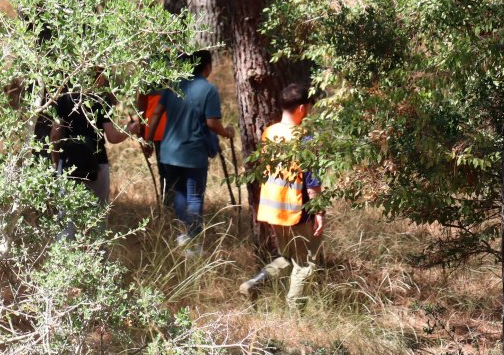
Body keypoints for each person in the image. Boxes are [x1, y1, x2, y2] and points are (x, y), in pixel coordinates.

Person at [238, 83, 323, 309]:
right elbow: (312, 179)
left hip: (273, 210)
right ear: (303, 108)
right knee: (305, 264)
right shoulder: (304, 137)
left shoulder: (270, 132)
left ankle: (254, 284)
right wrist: (319, 211)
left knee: (287, 258)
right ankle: (295, 311)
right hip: (297, 211)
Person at [144, 50, 234, 248]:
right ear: (207, 66)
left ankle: (183, 235)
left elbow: (157, 113)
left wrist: (147, 140)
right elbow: (211, 122)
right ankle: (193, 240)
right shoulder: (208, 90)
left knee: (179, 193)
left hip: (168, 152)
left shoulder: (172, 87)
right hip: (193, 153)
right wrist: (226, 132)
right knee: (194, 196)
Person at [50, 74, 138, 207]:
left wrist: (56, 161)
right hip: (97, 162)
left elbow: (55, 135)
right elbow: (113, 137)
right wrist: (129, 129)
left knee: (68, 219)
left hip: (68, 161)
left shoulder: (64, 98)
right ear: (98, 76)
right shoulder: (101, 99)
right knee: (98, 217)